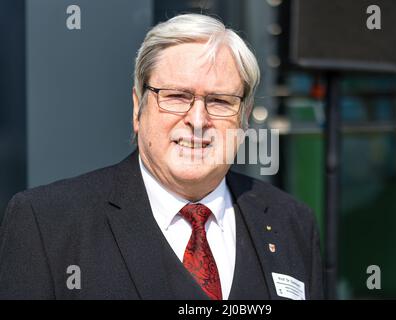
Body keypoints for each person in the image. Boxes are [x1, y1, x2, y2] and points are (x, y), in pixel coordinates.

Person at [0, 13, 323, 300]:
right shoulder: (48, 223)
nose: (198, 120)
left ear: (244, 116)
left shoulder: (290, 222)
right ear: (137, 108)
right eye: (177, 96)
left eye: (220, 101)